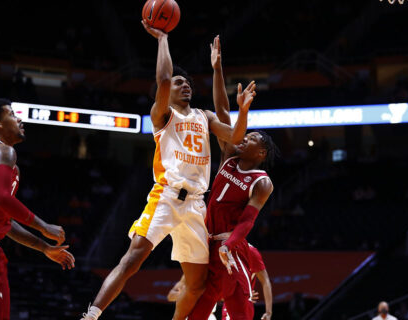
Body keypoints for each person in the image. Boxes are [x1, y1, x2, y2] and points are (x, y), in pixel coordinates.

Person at [81, 21, 255, 320]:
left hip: (196, 205)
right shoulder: (162, 116)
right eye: (178, 83)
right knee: (132, 260)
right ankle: (91, 315)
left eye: (187, 82)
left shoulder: (204, 116)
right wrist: (162, 39)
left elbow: (235, 137)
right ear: (167, 93)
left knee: (198, 284)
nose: (184, 84)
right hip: (166, 196)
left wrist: (243, 109)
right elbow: (162, 80)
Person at [187, 35, 278, 320]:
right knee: (202, 301)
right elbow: (223, 111)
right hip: (208, 241)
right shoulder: (229, 156)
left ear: (261, 152)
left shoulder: (262, 181)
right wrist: (217, 69)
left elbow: (248, 220)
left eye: (249, 138)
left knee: (238, 308)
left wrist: (229, 243)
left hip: (230, 248)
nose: (242, 139)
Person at [0, 98, 75, 319]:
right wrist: (43, 226)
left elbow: (4, 221)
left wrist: (43, 247)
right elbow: (2, 199)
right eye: (11, 114)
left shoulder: (10, 165)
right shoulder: (3, 151)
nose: (19, 118)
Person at [220, 243, 272, 320]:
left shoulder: (251, 251)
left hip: (243, 304)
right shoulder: (221, 248)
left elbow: (265, 280)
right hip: (228, 302)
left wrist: (268, 312)